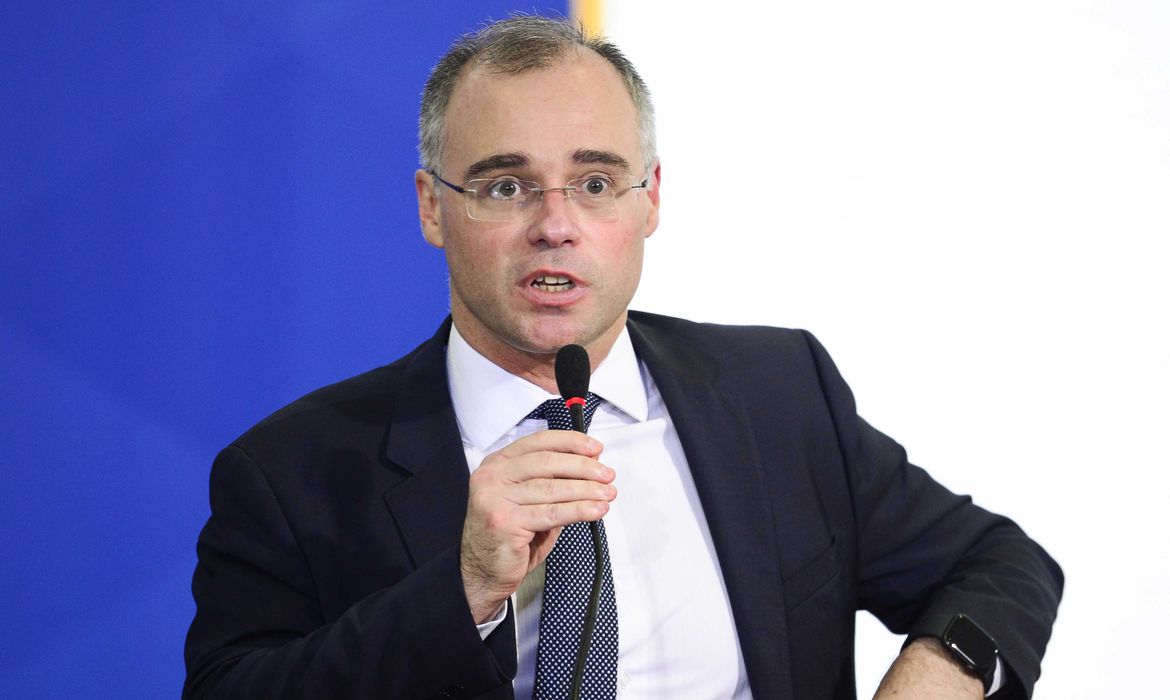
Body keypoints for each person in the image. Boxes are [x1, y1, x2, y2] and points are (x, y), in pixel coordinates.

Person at [183, 15, 1062, 700]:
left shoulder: (778, 396)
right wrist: (462, 590)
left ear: (650, 201)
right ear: (433, 208)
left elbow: (998, 564)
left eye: (596, 182)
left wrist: (939, 673)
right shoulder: (290, 472)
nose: (555, 223)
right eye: (504, 185)